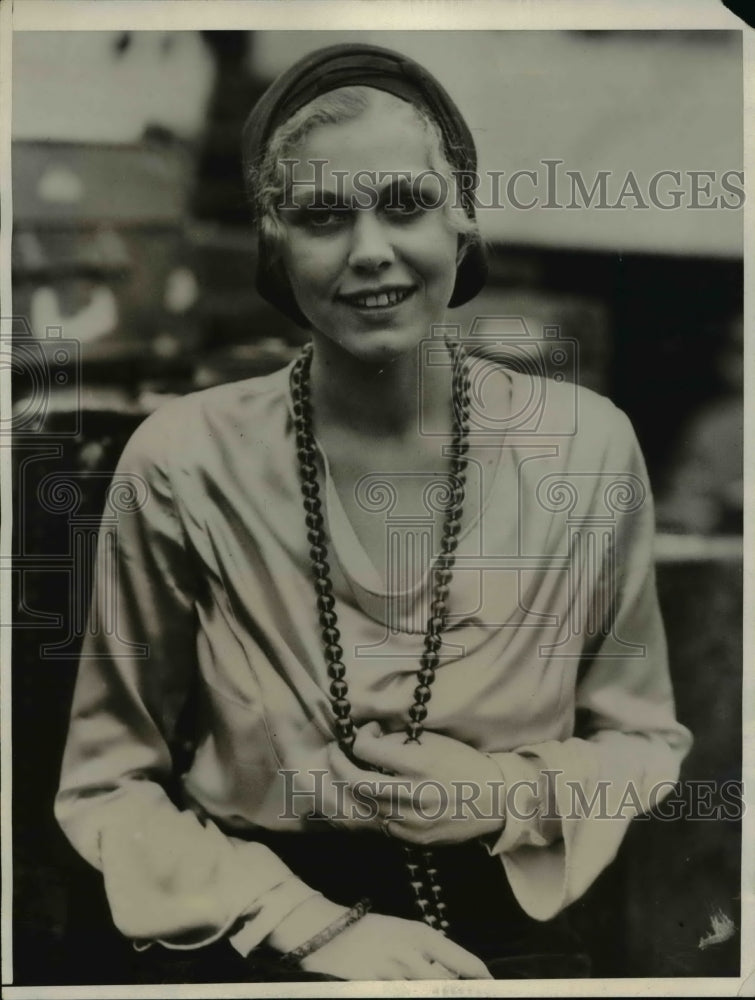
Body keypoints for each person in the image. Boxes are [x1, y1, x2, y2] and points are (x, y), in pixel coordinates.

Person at [55, 43, 692, 983]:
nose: (369, 251)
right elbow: (108, 787)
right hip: (253, 925)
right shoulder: (181, 458)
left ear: (464, 217)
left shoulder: (587, 448)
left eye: (406, 203)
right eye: (321, 215)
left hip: (503, 928)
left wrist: (503, 792)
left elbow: (642, 742)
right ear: (273, 239)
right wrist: (313, 928)